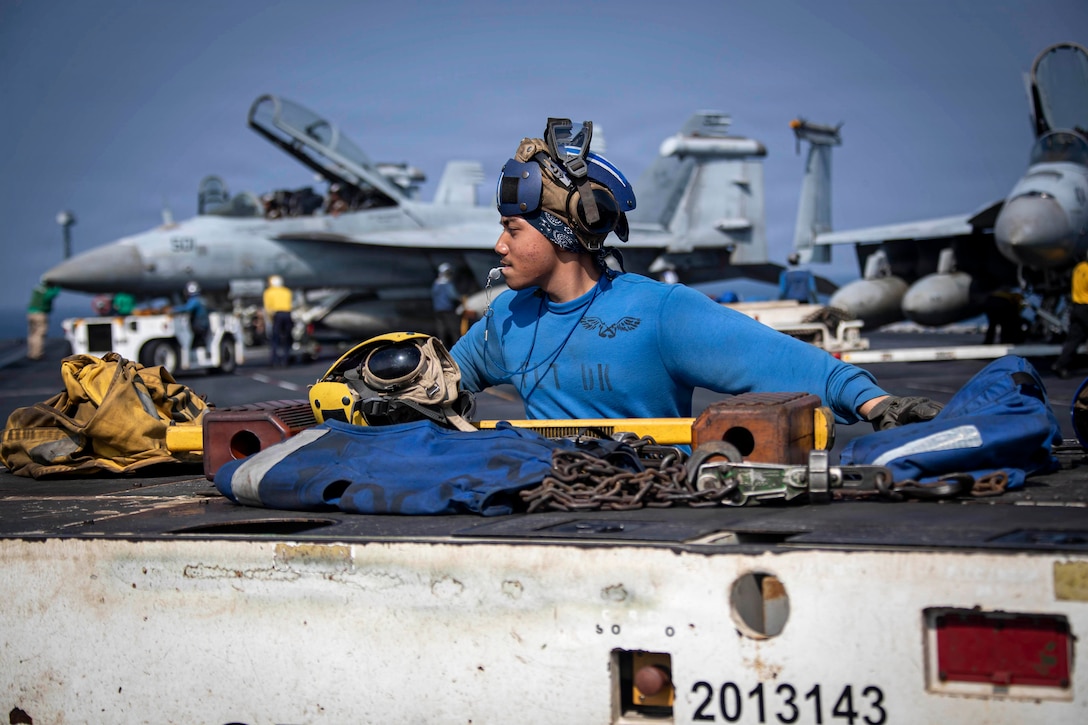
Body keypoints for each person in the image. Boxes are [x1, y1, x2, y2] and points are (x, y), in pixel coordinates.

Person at [450, 119, 942, 431]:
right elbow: (438, 381)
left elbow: (789, 363)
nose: (500, 245)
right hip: (544, 518)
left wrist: (877, 403)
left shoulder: (659, 313)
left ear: (561, 232)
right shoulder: (504, 321)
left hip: (654, 514)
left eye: (512, 229)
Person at [1053, 256, 1088, 379]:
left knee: (1074, 339)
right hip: (1086, 307)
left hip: (1076, 307)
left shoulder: (1078, 268)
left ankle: (1060, 364)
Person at [173, 280, 210, 367]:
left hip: (198, 326)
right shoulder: (202, 300)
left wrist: (174, 309)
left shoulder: (194, 301)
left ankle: (192, 358)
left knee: (189, 338)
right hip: (205, 325)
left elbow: (187, 308)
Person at [263, 275, 294, 367]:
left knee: (275, 338)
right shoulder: (287, 291)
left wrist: (270, 319)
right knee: (287, 338)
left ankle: (274, 360)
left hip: (277, 315)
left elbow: (268, 307)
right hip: (287, 314)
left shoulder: (268, 292)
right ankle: (286, 359)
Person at [26, 281, 59, 361]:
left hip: (30, 313)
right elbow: (53, 294)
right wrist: (58, 285)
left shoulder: (37, 289)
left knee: (32, 333)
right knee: (39, 334)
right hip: (40, 314)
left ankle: (31, 352)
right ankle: (37, 354)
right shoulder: (47, 291)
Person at [431, 263, 462, 348]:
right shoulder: (447, 284)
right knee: (454, 329)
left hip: (438, 310)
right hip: (448, 309)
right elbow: (453, 296)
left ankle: (440, 347)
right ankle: (457, 347)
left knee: (441, 330)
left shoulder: (436, 284)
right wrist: (461, 299)